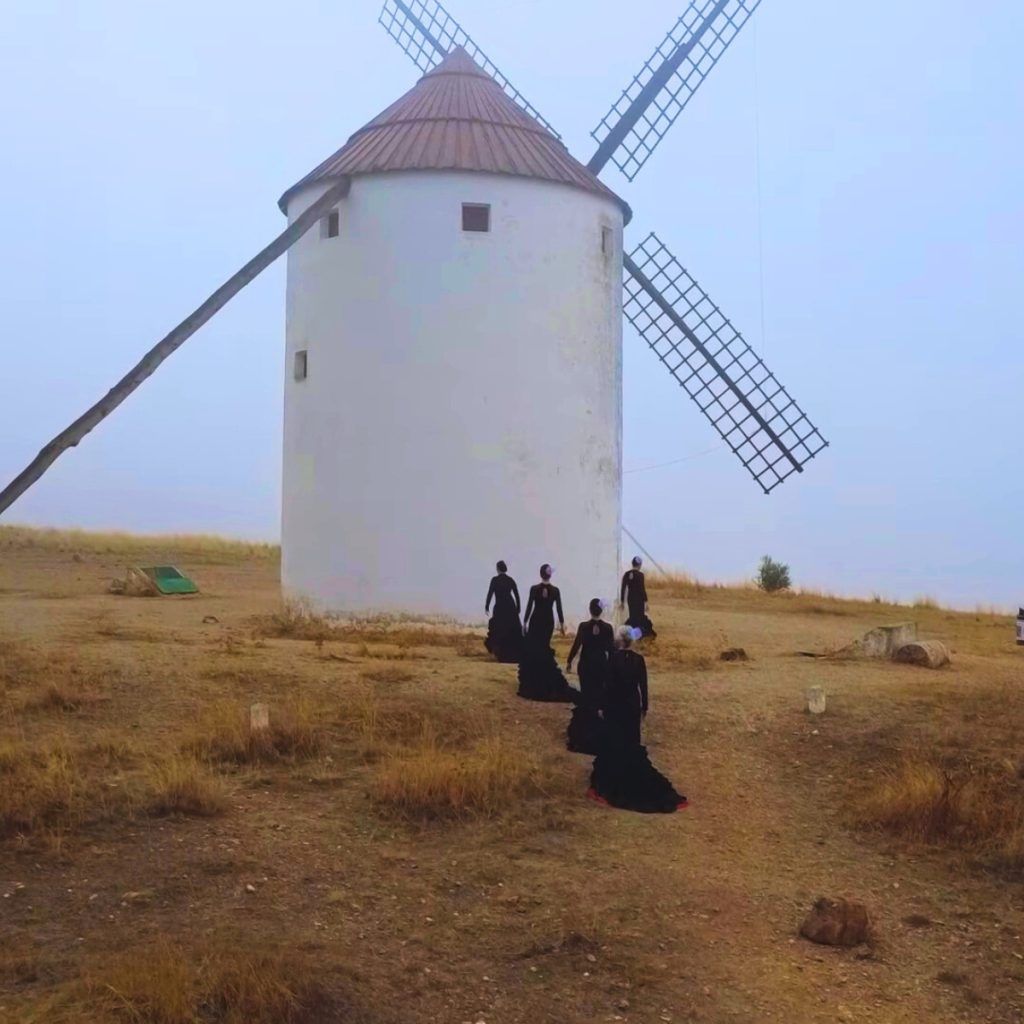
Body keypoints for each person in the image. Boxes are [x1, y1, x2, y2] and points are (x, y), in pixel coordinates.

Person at [588, 625, 687, 813]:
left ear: (619, 641)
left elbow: (607, 685)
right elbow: (644, 686)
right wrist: (644, 707)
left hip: (616, 706)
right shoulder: (639, 660)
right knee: (632, 740)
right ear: (631, 641)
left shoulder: (613, 660)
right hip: (632, 707)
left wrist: (601, 706)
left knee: (616, 740)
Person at [517, 564, 575, 702]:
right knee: (543, 647)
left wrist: (524, 622)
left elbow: (530, 606)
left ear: (540, 574)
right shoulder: (555, 590)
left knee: (534, 649)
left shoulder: (534, 589)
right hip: (548, 621)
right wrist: (562, 624)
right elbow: (559, 608)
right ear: (550, 575)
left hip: (536, 620)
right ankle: (544, 676)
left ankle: (534, 678)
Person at [565, 598, 613, 754]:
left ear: (590, 610)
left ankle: (584, 729)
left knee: (586, 696)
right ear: (602, 611)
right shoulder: (608, 628)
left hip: (585, 666)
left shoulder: (583, 627)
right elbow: (611, 650)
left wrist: (569, 660)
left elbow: (577, 645)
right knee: (599, 697)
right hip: (601, 666)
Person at [484, 560, 523, 663]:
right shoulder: (510, 580)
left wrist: (487, 606)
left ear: (497, 568)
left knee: (499, 630)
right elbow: (517, 595)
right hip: (510, 607)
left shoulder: (495, 580)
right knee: (512, 630)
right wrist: (518, 607)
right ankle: (514, 654)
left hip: (500, 607)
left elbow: (490, 593)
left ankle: (500, 653)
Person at [620, 556, 656, 638]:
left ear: (632, 564)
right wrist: (646, 602)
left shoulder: (627, 574)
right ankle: (639, 634)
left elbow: (623, 588)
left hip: (631, 599)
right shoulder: (640, 575)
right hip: (639, 600)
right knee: (640, 617)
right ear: (639, 565)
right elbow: (642, 589)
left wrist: (622, 601)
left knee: (632, 616)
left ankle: (631, 633)